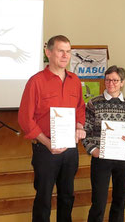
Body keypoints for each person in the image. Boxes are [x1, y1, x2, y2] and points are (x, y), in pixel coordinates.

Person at [18, 35, 86, 222]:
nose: (65, 55)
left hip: (70, 150)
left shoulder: (74, 80)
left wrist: (79, 126)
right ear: (48, 53)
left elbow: (80, 108)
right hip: (45, 149)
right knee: (44, 198)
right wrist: (47, 143)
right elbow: (25, 119)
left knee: (67, 196)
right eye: (60, 51)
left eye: (68, 51)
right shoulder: (36, 82)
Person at [82, 65, 125, 222]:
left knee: (119, 201)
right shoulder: (93, 103)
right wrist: (92, 149)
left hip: (123, 157)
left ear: (122, 82)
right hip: (100, 158)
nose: (110, 83)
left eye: (115, 80)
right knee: (99, 202)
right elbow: (85, 131)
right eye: (107, 80)